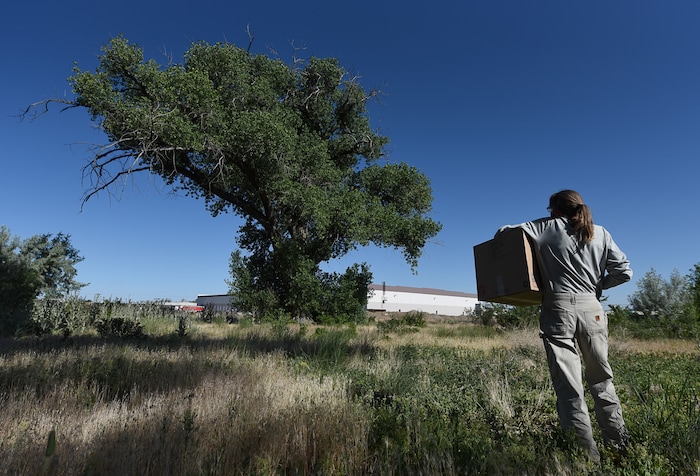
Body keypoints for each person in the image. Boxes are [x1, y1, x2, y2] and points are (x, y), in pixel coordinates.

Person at [496, 189, 632, 462]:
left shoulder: (544, 227)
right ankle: (621, 448)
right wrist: (597, 286)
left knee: (570, 387)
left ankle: (586, 457)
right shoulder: (601, 232)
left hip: (558, 308)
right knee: (603, 381)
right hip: (592, 308)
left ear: (555, 210)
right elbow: (624, 272)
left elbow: (503, 232)